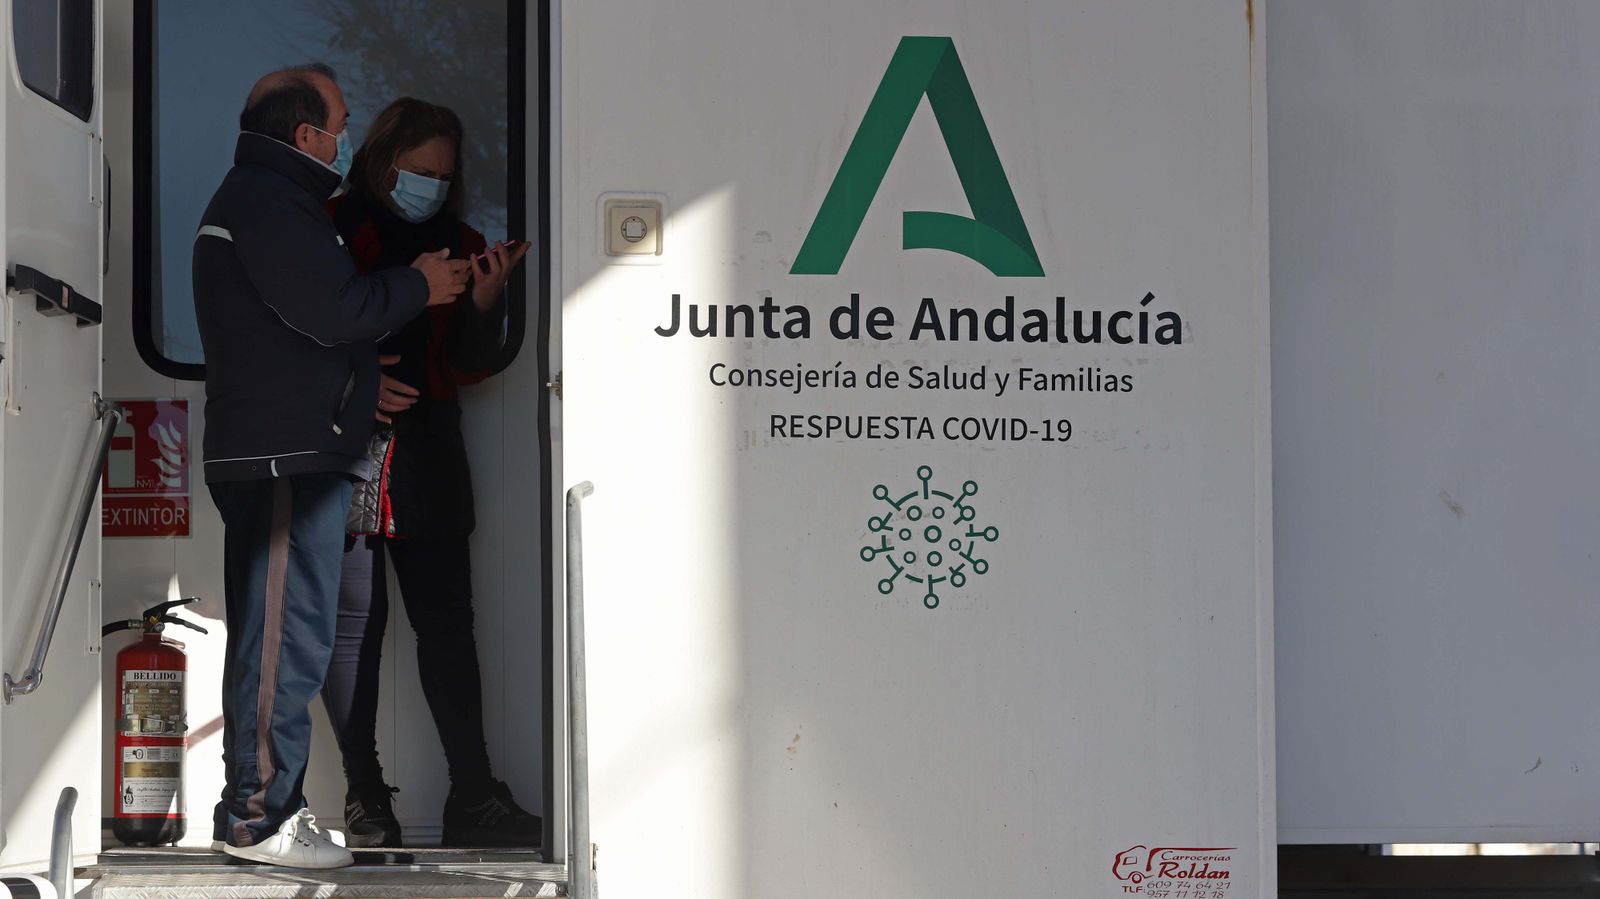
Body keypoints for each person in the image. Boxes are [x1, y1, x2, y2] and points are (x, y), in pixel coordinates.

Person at [192, 66, 471, 868]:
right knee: (283, 641)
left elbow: (306, 323)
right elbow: (331, 310)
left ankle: (262, 809)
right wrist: (417, 284)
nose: (346, 137)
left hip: (291, 448)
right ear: (305, 134)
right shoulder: (268, 202)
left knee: (290, 637)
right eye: (341, 124)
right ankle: (259, 819)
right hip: (284, 454)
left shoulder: (274, 201)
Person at [316, 97, 538, 848]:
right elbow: (298, 330)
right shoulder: (334, 226)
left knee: (448, 628)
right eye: (418, 171)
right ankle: (364, 794)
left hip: (432, 449)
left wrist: (486, 298)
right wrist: (355, 383)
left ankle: (472, 793)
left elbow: (468, 366)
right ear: (382, 162)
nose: (431, 187)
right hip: (347, 446)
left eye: (444, 175)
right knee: (353, 628)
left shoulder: (463, 241)